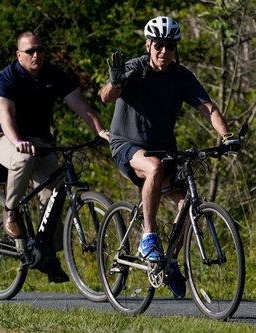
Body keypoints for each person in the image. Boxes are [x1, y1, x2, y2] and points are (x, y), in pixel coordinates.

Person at [100, 16, 241, 298]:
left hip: (164, 149)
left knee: (187, 203)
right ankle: (148, 238)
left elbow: (208, 108)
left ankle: (171, 261)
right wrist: (115, 82)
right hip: (127, 144)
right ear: (148, 45)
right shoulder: (135, 68)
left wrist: (226, 136)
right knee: (152, 168)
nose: (164, 52)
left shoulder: (181, 76)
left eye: (170, 46)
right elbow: (106, 96)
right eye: (159, 46)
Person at [0, 31, 110, 283]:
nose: (36, 55)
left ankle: (46, 253)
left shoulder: (54, 74)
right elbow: (4, 115)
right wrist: (17, 141)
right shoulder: (6, 78)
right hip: (3, 136)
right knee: (23, 160)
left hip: (40, 140)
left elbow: (80, 104)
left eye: (40, 49)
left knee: (54, 190)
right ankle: (10, 213)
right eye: (30, 51)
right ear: (19, 55)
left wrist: (100, 130)